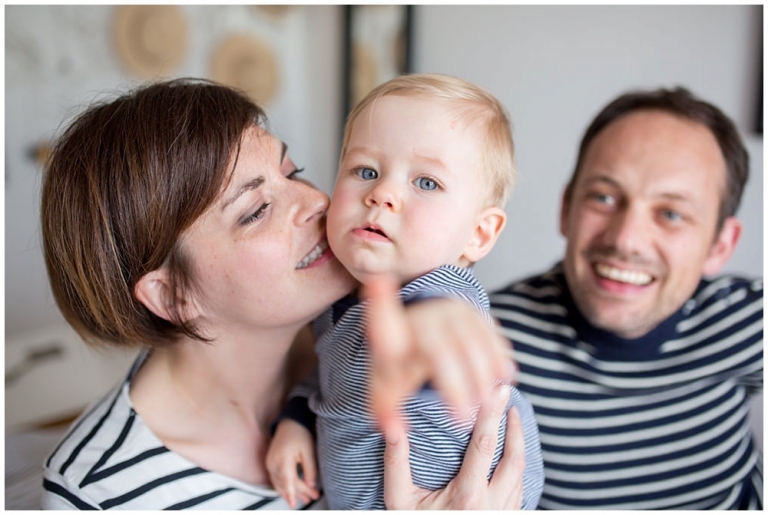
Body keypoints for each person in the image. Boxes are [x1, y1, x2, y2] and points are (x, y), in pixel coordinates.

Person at [38, 78, 527, 510]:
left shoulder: (370, 307)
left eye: (292, 172)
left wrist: (436, 319)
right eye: (255, 210)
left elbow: (442, 310)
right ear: (172, 295)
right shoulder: (99, 494)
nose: (317, 201)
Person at [266, 73, 544, 510]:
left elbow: (443, 335)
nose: (382, 193)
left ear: (478, 234)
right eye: (366, 171)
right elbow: (332, 379)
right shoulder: (339, 302)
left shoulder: (443, 292)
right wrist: (297, 419)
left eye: (427, 183)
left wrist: (429, 328)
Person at [488, 87, 763, 509]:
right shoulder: (487, 334)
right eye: (604, 197)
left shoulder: (746, 321)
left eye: (671, 213)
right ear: (566, 208)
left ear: (720, 246)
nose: (625, 239)